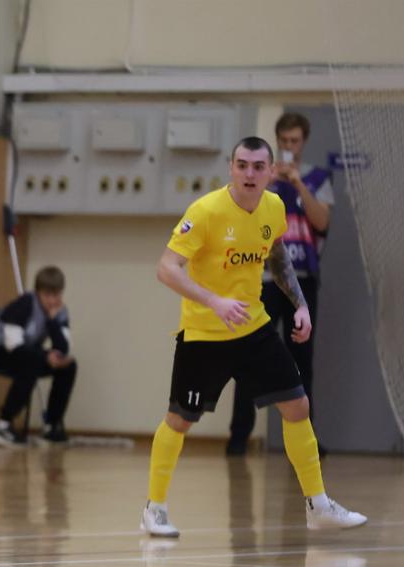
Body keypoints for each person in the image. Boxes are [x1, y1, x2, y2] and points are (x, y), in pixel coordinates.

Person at [141, 136, 366, 539]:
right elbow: (166, 269)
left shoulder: (274, 207)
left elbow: (277, 255)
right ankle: (154, 510)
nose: (249, 173)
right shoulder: (205, 211)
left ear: (270, 171)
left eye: (258, 166)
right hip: (204, 334)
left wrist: (299, 304)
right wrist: (214, 301)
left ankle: (317, 505)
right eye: (242, 165)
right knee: (179, 419)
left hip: (253, 328)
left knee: (297, 404)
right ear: (230, 168)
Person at [226, 113, 336, 455]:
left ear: (304, 142)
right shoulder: (260, 178)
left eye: (295, 141)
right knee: (249, 356)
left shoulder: (317, 178)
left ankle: (304, 442)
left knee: (301, 360)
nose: (290, 146)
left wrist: (298, 184)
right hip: (261, 279)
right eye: (284, 141)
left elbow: (323, 222)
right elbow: (239, 212)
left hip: (301, 281)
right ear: (277, 141)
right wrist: (268, 181)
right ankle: (238, 439)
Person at [0, 266, 76, 448]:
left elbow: (63, 347)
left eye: (56, 295)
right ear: (38, 292)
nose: (52, 301)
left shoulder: (60, 311)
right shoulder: (24, 304)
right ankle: (4, 425)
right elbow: (13, 345)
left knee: (68, 366)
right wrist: (45, 356)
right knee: (32, 362)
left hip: (25, 351)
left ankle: (52, 425)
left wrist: (52, 322)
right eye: (47, 295)